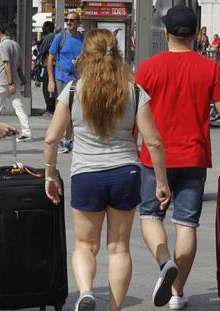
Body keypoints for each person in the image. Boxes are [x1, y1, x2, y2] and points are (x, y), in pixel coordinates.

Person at [135, 5, 220, 309]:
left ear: (166, 33)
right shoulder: (209, 68)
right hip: (194, 157)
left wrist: (132, 146)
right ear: (195, 36)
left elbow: (134, 115)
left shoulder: (147, 69)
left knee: (150, 216)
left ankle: (164, 262)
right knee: (186, 225)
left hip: (154, 158)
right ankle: (177, 293)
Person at [44, 28, 170, 311]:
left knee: (85, 245)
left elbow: (51, 138)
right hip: (125, 173)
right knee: (119, 247)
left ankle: (87, 292)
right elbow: (154, 141)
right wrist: (161, 181)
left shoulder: (74, 91)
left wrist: (50, 174)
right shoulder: (134, 91)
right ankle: (114, 308)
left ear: (84, 56)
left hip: (86, 174)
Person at [0, 23, 32, 142]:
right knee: (19, 107)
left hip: (4, 82)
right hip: (15, 81)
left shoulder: (3, 45)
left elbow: (6, 64)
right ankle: (26, 132)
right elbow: (20, 63)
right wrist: (14, 79)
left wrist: (10, 82)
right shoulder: (15, 44)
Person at [48, 12, 83, 153]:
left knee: (73, 112)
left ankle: (68, 140)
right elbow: (50, 58)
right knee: (61, 111)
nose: (68, 22)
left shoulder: (83, 39)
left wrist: (81, 61)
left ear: (78, 22)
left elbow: (88, 58)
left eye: (72, 20)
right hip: (61, 78)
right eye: (67, 20)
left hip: (76, 79)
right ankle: (59, 140)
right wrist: (51, 80)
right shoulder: (60, 37)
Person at [38, 21, 55, 116]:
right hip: (51, 65)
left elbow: (42, 50)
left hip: (48, 65)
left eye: (43, 27)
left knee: (46, 88)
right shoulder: (53, 36)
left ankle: (49, 109)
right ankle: (51, 108)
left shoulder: (49, 37)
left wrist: (39, 44)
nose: (42, 29)